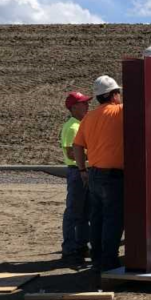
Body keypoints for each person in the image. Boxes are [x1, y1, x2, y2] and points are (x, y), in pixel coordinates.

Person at [73, 75, 125, 273]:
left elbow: (77, 146)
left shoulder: (89, 118)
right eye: (118, 92)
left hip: (94, 174)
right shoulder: (121, 111)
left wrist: (82, 170)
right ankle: (109, 261)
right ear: (113, 95)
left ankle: (97, 258)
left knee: (97, 218)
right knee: (113, 218)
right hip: (114, 177)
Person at [60, 91, 91, 264]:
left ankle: (80, 245)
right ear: (73, 108)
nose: (87, 106)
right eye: (83, 103)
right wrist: (94, 155)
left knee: (84, 211)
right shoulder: (72, 127)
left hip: (80, 170)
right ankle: (70, 248)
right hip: (77, 171)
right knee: (73, 211)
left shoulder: (79, 125)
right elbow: (71, 153)